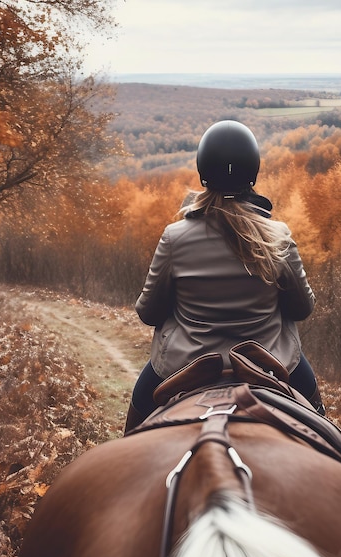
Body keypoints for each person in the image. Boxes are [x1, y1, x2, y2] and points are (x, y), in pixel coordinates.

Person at [125, 120, 324, 432]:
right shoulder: (277, 235)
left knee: (137, 416)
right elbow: (303, 308)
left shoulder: (174, 237)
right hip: (269, 363)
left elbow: (148, 312)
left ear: (204, 172)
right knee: (319, 419)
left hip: (186, 366)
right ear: (253, 173)